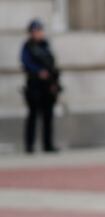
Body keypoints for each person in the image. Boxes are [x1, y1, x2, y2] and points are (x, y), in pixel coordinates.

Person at [20, 19, 60, 153]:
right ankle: (29, 146)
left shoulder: (46, 45)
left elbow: (52, 64)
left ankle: (48, 145)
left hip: (47, 86)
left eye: (39, 30)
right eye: (35, 31)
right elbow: (26, 64)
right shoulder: (28, 47)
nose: (38, 33)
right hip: (34, 85)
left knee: (48, 116)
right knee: (33, 116)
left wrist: (54, 83)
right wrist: (38, 72)